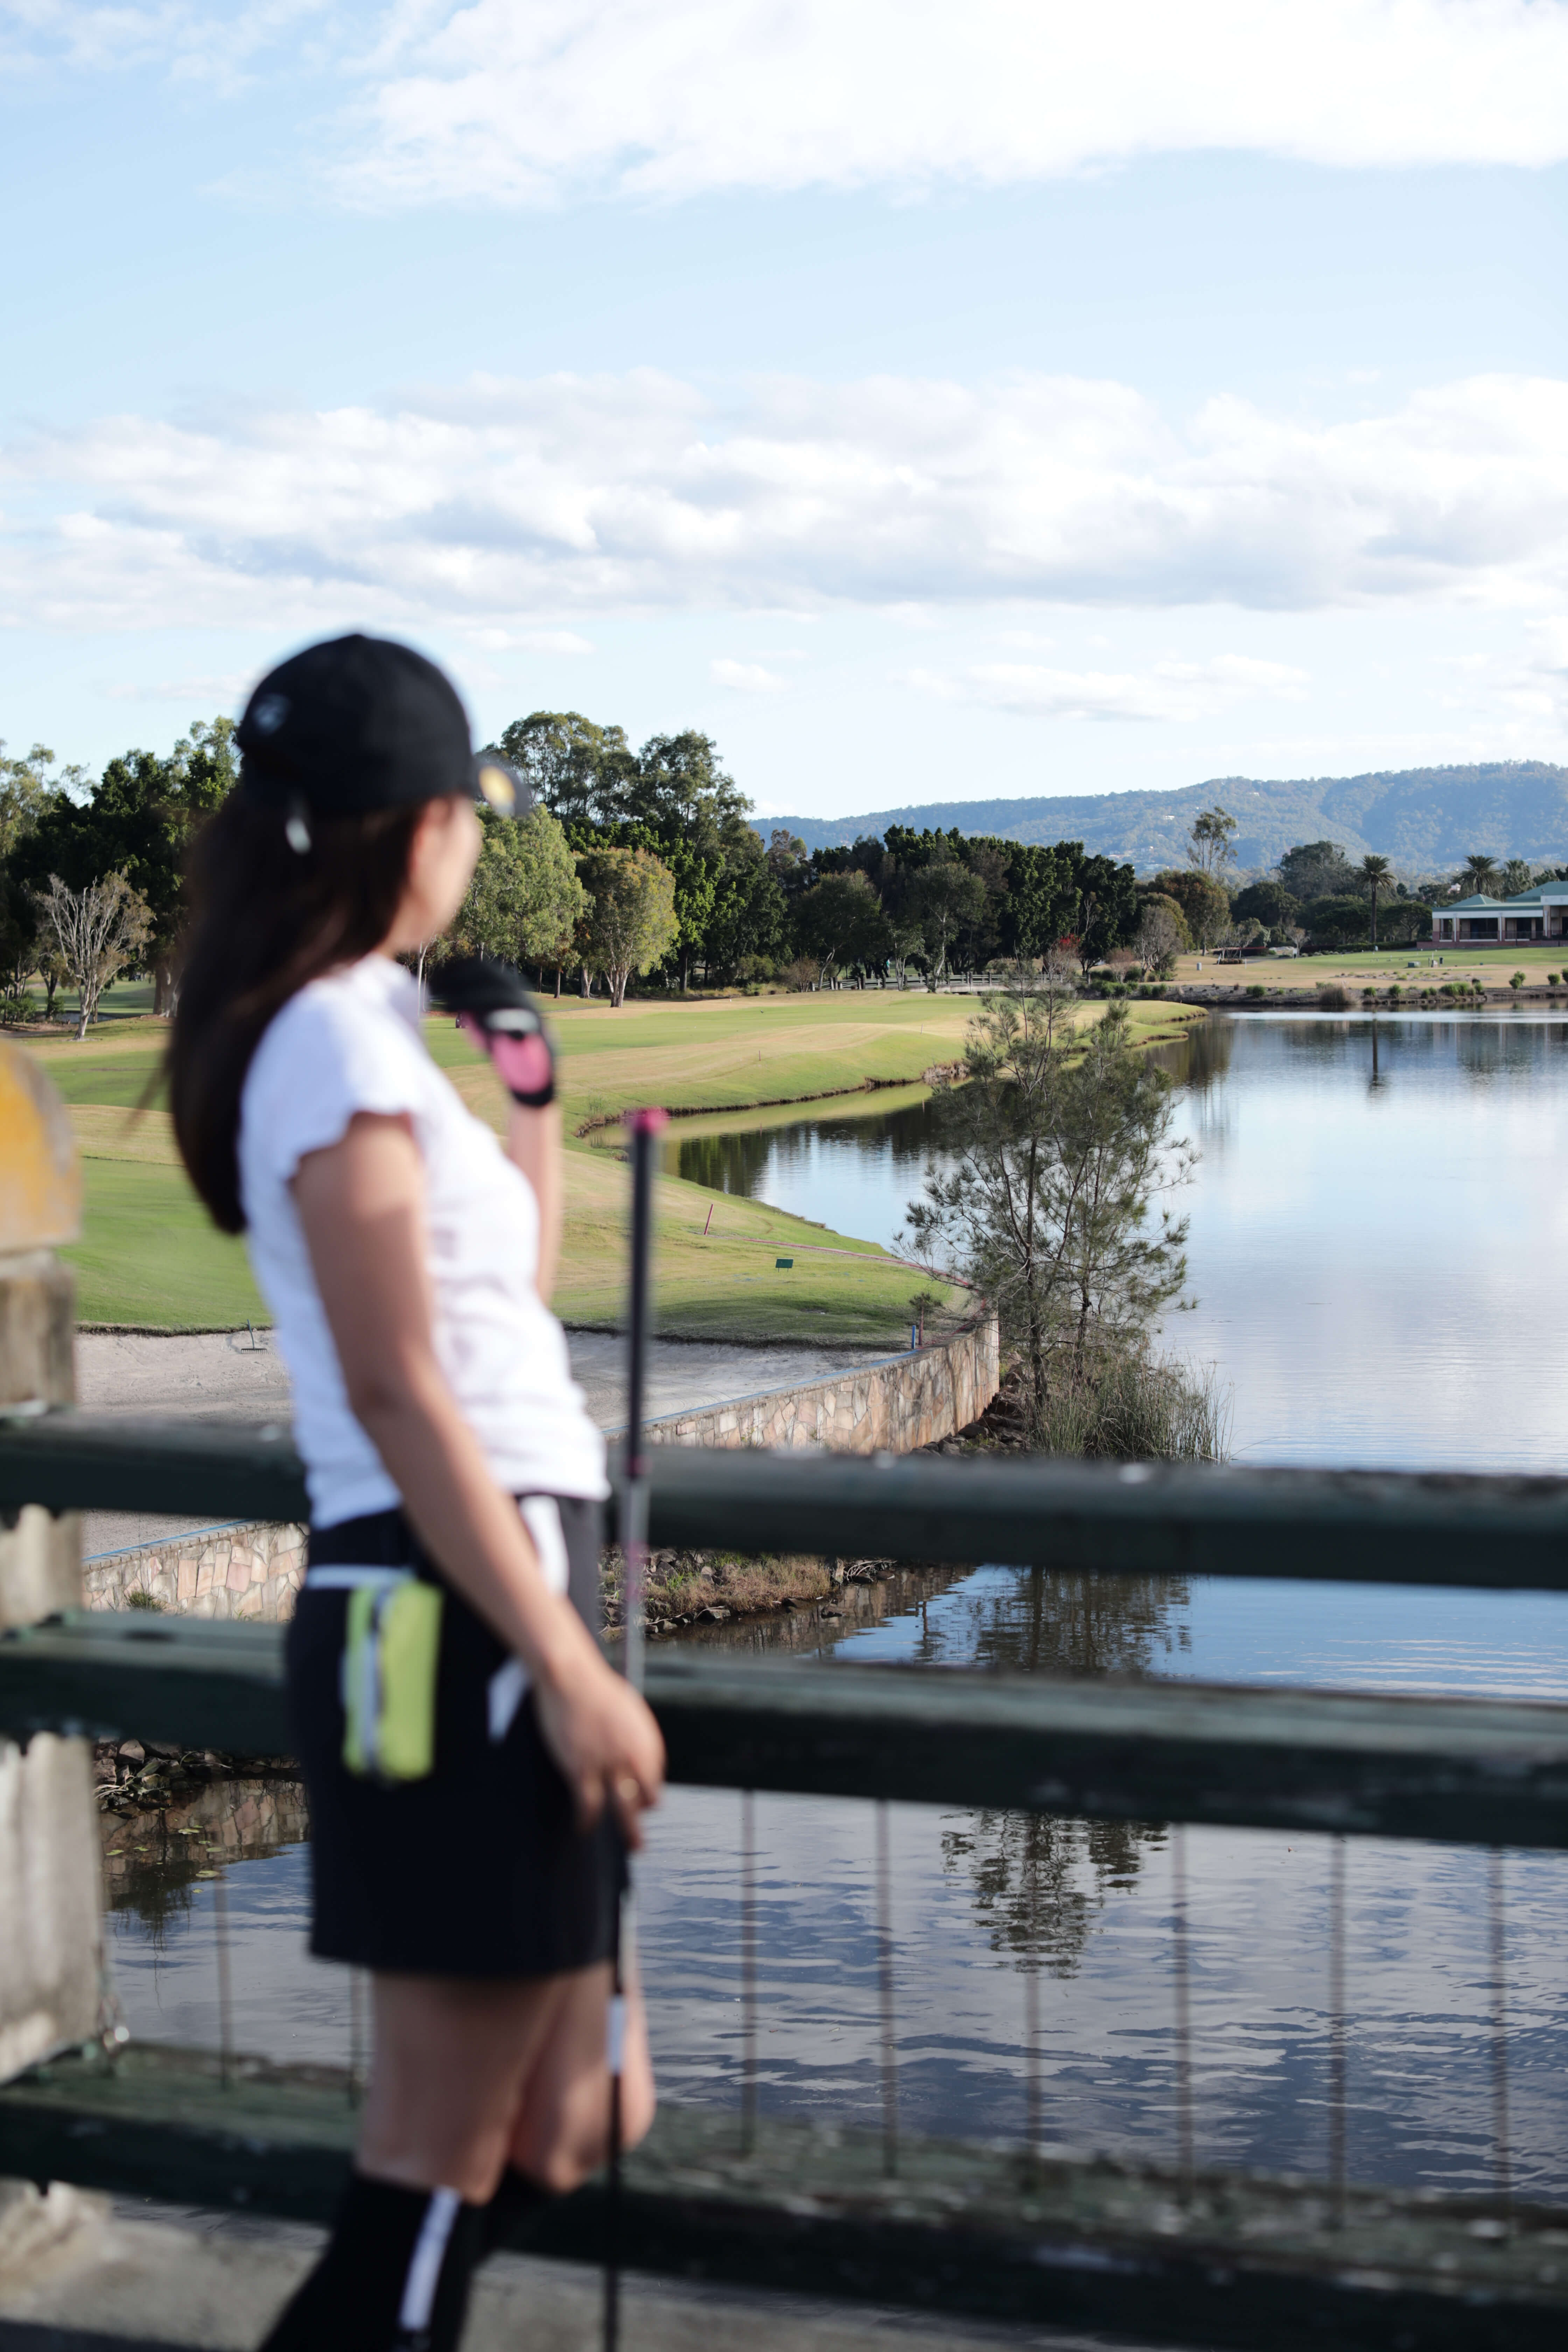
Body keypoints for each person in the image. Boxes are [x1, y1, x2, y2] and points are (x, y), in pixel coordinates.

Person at [168, 633, 663, 2352]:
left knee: (580, 2116)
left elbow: (493, 1305)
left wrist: (528, 1094)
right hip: (460, 1608)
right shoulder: (325, 1041)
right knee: (431, 2172)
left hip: (493, 1581)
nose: (475, 844)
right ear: (416, 822)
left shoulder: (375, 1021)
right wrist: (577, 1666)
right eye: (466, 812)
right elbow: (396, 1383)